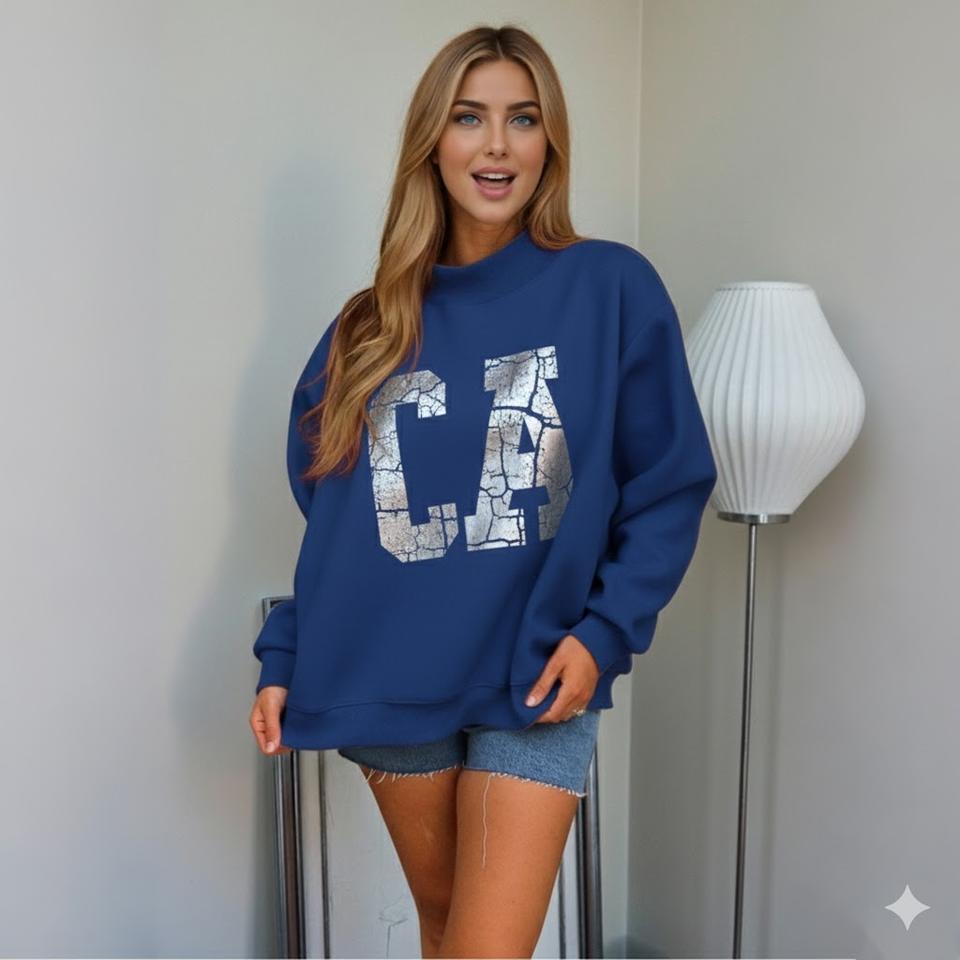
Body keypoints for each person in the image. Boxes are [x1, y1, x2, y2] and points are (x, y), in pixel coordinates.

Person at [248, 23, 717, 960]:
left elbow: (669, 484)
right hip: (393, 670)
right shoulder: (366, 329)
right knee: (446, 931)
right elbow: (339, 527)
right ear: (433, 141)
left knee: (486, 948)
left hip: (540, 670)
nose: (497, 145)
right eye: (469, 118)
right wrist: (285, 650)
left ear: (550, 141)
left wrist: (606, 631)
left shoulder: (610, 287)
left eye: (523, 118)